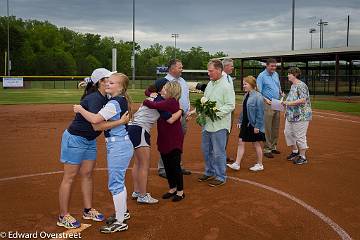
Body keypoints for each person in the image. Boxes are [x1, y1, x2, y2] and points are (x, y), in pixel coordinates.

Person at [57, 68, 124, 229]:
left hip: (89, 141)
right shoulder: (94, 98)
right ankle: (63, 215)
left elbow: (92, 83)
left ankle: (87, 210)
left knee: (87, 175)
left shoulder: (104, 95)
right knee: (69, 177)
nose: (111, 80)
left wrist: (87, 81)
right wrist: (121, 122)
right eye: (108, 78)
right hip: (75, 139)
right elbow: (96, 125)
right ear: (101, 82)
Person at [73, 73, 134, 233]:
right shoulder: (119, 99)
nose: (107, 84)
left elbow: (95, 121)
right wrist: (85, 81)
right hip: (121, 145)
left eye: (112, 83)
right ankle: (123, 213)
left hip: (118, 146)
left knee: (115, 184)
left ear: (120, 87)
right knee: (119, 182)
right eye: (107, 82)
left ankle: (120, 221)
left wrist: (80, 109)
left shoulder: (114, 103)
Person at [129, 84, 183, 204]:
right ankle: (142, 196)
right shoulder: (162, 102)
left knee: (137, 163)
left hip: (133, 127)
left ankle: (137, 191)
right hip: (140, 129)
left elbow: (148, 93)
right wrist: (181, 110)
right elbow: (170, 119)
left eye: (165, 88)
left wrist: (149, 95)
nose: (163, 90)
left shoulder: (157, 98)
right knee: (143, 164)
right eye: (163, 88)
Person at [145, 59, 191, 178]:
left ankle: (177, 166)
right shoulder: (163, 81)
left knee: (177, 142)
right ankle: (162, 168)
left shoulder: (182, 81)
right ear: (172, 68)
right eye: (180, 67)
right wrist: (153, 96)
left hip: (182, 116)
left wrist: (187, 111)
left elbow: (186, 97)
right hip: (168, 116)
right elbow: (148, 91)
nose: (182, 69)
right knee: (167, 141)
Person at [143, 81, 185, 202]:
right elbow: (149, 93)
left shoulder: (171, 102)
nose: (163, 91)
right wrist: (152, 96)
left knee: (175, 165)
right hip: (164, 137)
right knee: (167, 164)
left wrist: (147, 101)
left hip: (174, 138)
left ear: (171, 91)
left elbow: (154, 105)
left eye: (165, 89)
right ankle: (172, 188)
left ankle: (180, 192)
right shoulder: (165, 100)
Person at [198, 59, 235, 187]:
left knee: (219, 152)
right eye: (208, 71)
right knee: (206, 150)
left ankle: (220, 176)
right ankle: (209, 171)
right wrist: (200, 110)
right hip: (207, 124)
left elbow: (230, 105)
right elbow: (205, 101)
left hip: (219, 125)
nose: (209, 73)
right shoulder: (210, 84)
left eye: (211, 71)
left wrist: (215, 113)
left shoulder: (226, 86)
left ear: (219, 70)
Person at [227, 76, 265, 172]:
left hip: (253, 124)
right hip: (245, 123)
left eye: (245, 84)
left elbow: (260, 113)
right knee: (241, 142)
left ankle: (260, 164)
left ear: (251, 85)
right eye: (243, 84)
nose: (243, 86)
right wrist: (240, 121)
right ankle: (237, 163)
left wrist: (257, 126)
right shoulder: (246, 95)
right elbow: (244, 110)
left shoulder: (258, 96)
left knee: (256, 143)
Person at [282, 67, 312, 165]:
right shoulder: (293, 86)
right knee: (288, 133)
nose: (288, 75)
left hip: (301, 116)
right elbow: (291, 99)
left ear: (294, 74)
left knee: (300, 136)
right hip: (291, 115)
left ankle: (303, 157)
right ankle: (295, 152)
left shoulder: (301, 85)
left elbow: (303, 100)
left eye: (289, 74)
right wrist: (286, 109)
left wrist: (288, 103)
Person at [257, 58, 282, 158]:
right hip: (267, 102)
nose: (274, 68)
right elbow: (258, 91)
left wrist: (280, 92)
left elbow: (278, 86)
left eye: (275, 66)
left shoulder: (276, 74)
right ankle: (267, 148)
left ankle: (273, 146)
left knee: (276, 125)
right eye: (272, 66)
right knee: (267, 126)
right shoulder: (261, 76)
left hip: (277, 102)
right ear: (267, 66)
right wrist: (265, 100)